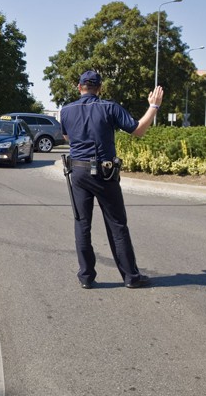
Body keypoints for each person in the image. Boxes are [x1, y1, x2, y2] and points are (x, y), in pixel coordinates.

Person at [59, 70, 163, 289]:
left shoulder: (66, 110)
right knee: (117, 225)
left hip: (77, 171)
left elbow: (66, 136)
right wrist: (153, 106)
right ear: (100, 88)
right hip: (104, 173)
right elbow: (138, 130)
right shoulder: (109, 107)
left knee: (82, 223)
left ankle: (86, 277)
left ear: (79, 87)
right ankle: (130, 277)